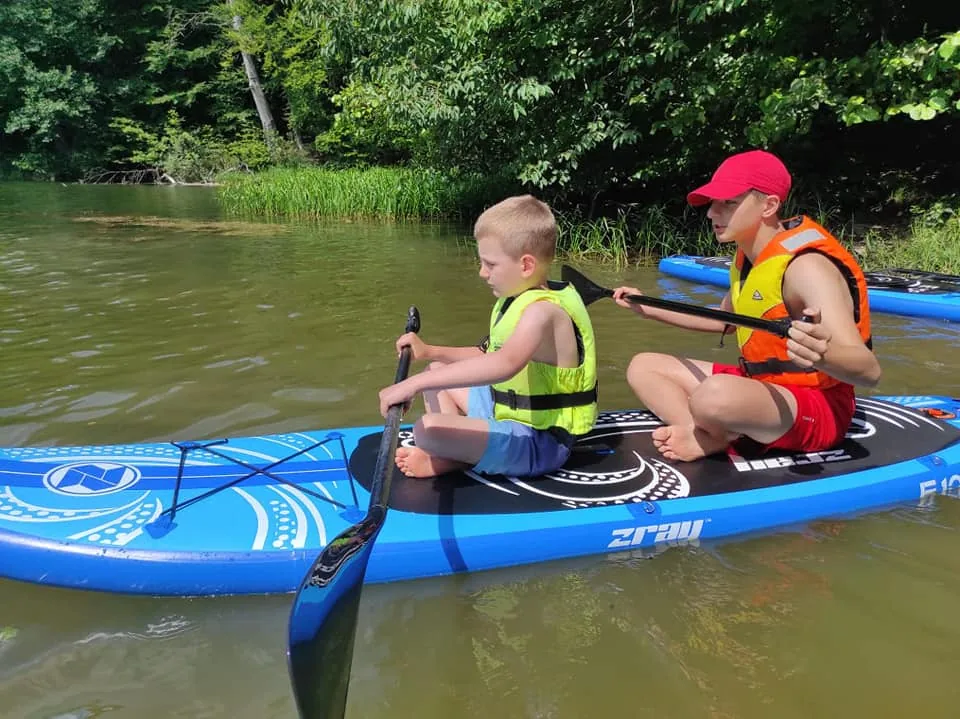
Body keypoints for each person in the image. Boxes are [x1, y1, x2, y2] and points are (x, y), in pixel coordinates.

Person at [613, 149, 880, 462]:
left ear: (768, 205)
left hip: (819, 407)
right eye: (713, 203)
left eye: (729, 202)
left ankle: (712, 432)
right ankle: (704, 434)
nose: (712, 213)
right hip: (762, 388)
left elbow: (869, 371)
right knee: (644, 366)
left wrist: (824, 354)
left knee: (712, 396)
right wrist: (646, 306)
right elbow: (724, 321)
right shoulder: (748, 259)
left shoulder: (807, 269)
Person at [378, 195, 598, 479]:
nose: (482, 273)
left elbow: (503, 364)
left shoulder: (542, 311)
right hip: (507, 412)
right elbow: (487, 354)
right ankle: (458, 450)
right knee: (436, 373)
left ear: (526, 265)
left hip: (541, 443)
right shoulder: (518, 298)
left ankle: (456, 458)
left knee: (427, 430)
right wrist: (429, 351)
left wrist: (412, 384)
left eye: (490, 264)